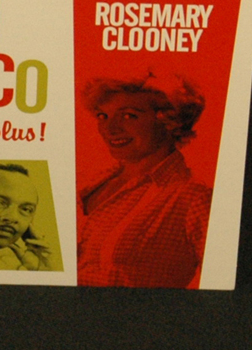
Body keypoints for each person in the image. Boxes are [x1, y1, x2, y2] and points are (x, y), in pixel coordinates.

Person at [77, 73, 211, 288]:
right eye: (103, 116)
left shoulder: (193, 198)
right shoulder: (88, 183)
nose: (110, 129)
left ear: (170, 121)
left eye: (128, 116)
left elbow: (219, 286)